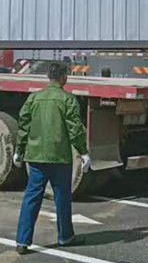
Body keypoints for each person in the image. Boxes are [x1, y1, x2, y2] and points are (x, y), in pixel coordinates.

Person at [13, 62, 92, 254]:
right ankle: (65, 237)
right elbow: (74, 129)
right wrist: (84, 152)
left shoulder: (34, 98)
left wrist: (19, 150)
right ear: (64, 77)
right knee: (62, 198)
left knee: (32, 197)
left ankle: (22, 242)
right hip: (59, 158)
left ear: (49, 77)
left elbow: (23, 126)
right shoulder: (68, 99)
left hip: (36, 157)